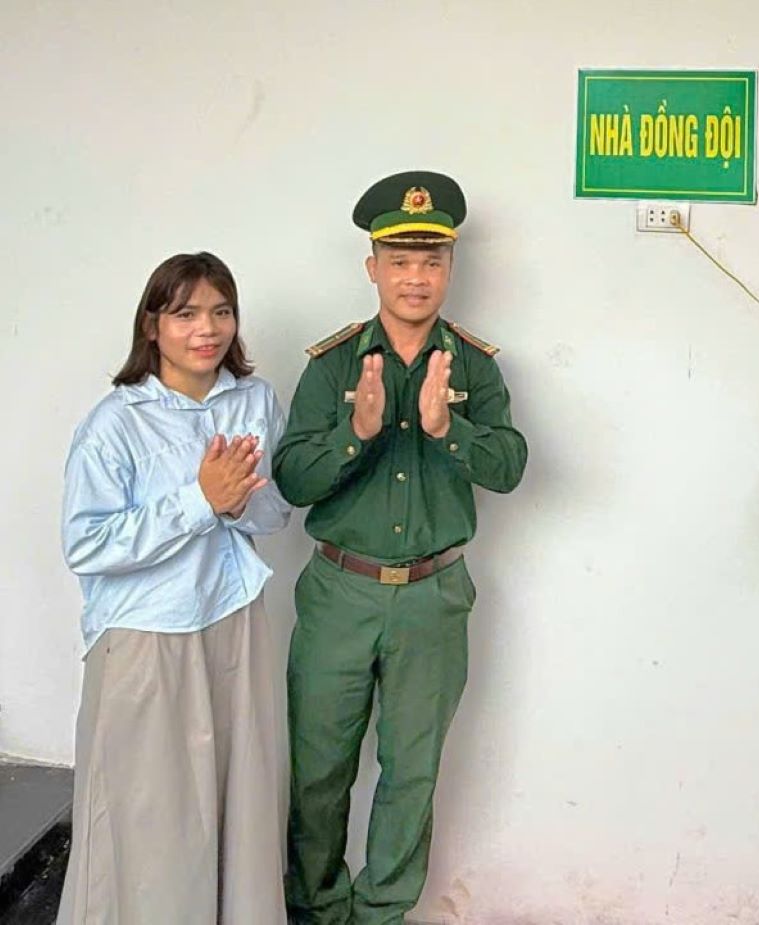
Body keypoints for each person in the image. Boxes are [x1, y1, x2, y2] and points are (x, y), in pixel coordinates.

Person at [274, 170, 528, 924]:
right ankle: (315, 910)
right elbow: (290, 477)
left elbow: (511, 467)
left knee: (411, 771)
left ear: (451, 267)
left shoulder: (475, 367)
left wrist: (452, 429)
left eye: (431, 260)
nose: (416, 278)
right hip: (339, 595)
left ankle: (383, 912)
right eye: (400, 260)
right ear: (372, 267)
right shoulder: (334, 364)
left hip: (432, 597)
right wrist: (356, 434)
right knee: (318, 771)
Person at [58, 251, 291, 923]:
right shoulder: (116, 422)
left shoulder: (255, 401)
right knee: (150, 822)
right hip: (146, 635)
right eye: (185, 312)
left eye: (221, 311)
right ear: (152, 325)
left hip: (235, 624)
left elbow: (276, 512)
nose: (206, 329)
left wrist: (240, 503)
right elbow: (87, 543)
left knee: (240, 808)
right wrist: (199, 500)